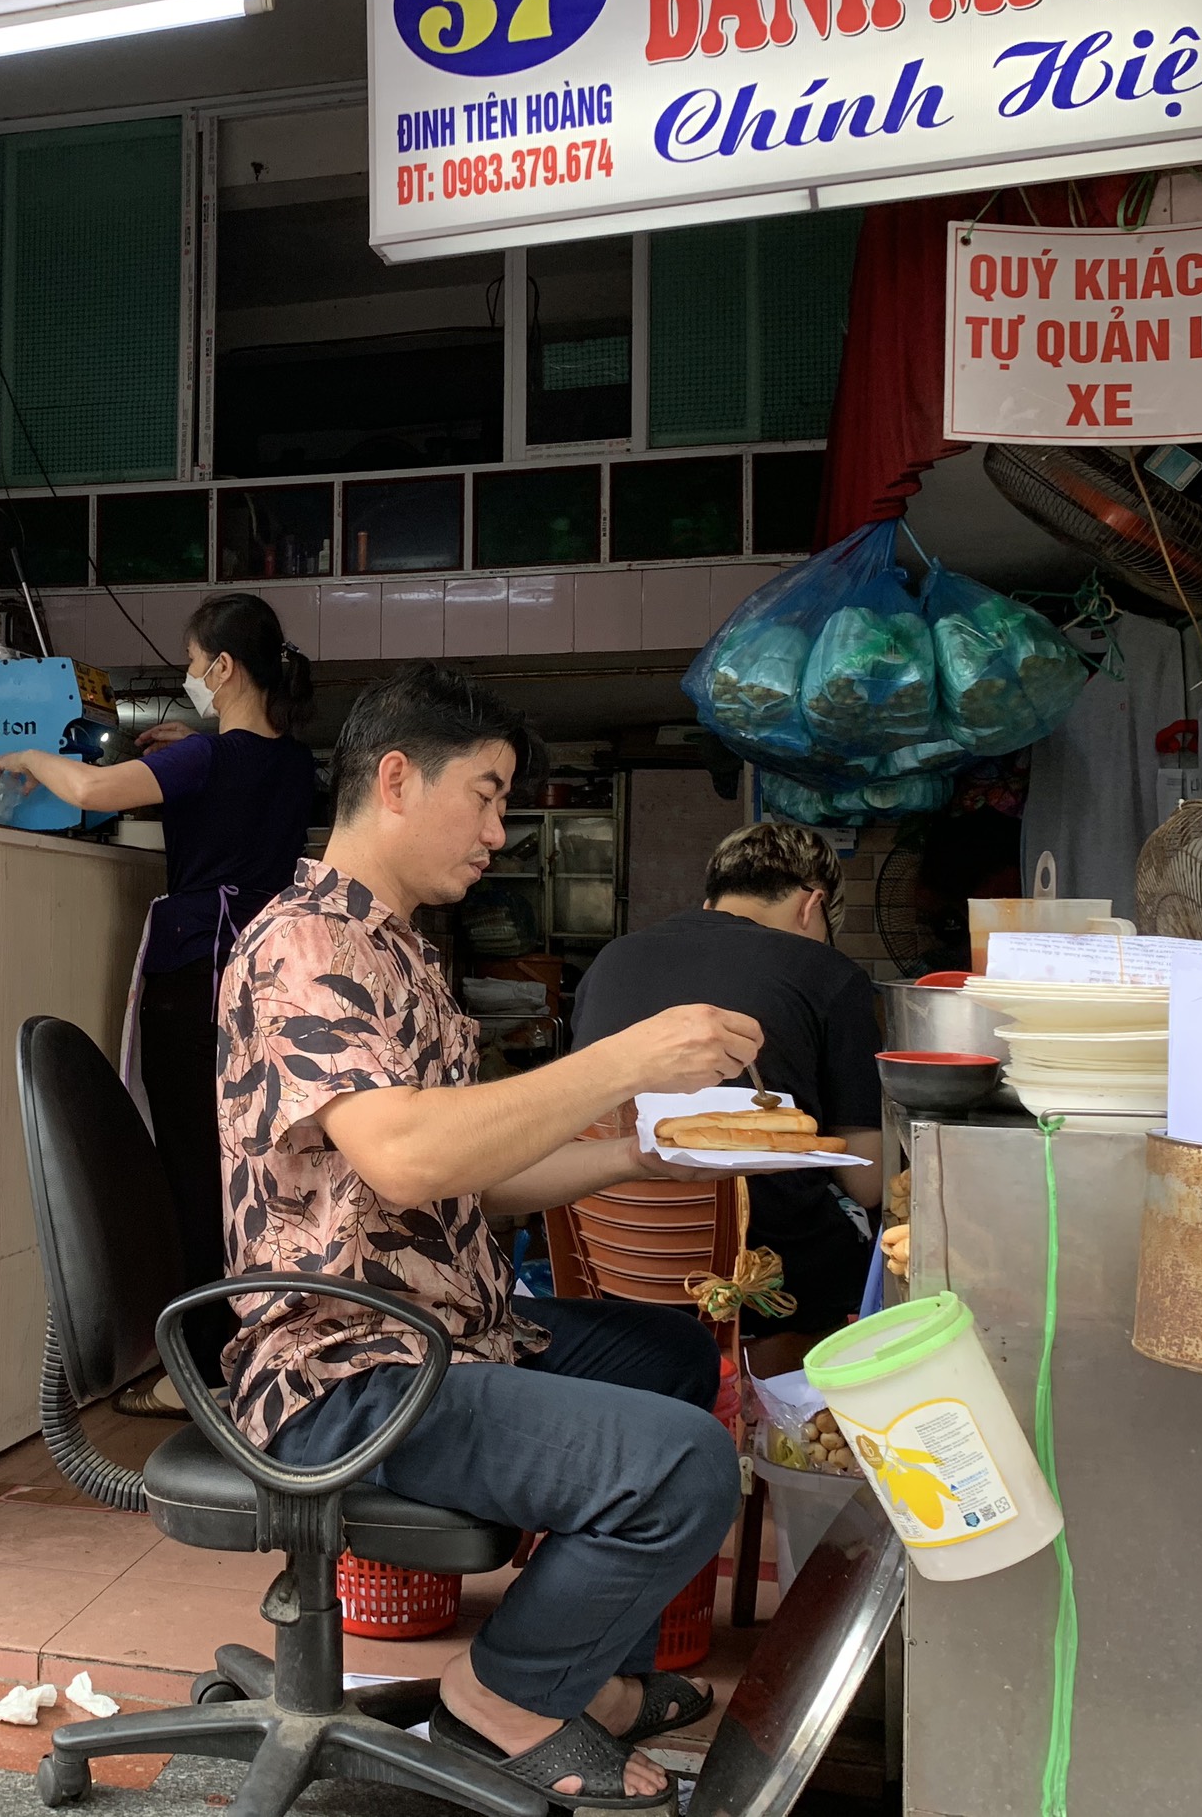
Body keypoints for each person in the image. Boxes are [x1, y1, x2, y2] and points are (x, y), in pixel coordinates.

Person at [219, 662, 762, 1812]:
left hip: (442, 1325)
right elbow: (411, 1153)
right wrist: (626, 1059)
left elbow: (465, 1183)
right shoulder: (305, 948)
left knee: (666, 1355)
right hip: (346, 1365)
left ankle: (593, 1680)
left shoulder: (400, 949)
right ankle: (502, 1702)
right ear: (400, 781)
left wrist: (638, 1153)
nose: (498, 831)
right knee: (681, 1462)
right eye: (488, 793)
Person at [0, 593, 316, 1404]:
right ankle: (256, 1347)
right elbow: (226, 790)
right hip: (267, 982)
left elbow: (93, 793)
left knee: (192, 1177)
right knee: (247, 1170)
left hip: (196, 980)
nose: (190, 676)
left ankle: (201, 1370)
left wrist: (28, 758)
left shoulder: (206, 760)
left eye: (194, 663)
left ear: (224, 668)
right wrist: (185, 750)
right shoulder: (295, 764)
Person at [569, 820, 886, 1372]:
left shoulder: (611, 959)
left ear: (712, 894)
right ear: (813, 905)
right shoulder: (831, 973)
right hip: (767, 1281)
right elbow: (869, 1178)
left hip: (611, 1266)